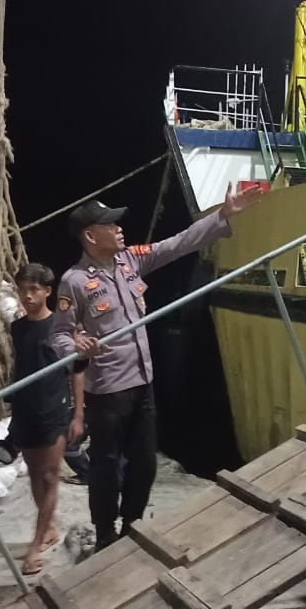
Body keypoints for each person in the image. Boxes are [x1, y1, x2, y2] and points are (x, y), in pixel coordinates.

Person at [53, 188, 259, 550]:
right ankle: (105, 532)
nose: (119, 229)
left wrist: (222, 216)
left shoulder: (129, 261)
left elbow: (176, 244)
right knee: (105, 466)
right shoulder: (74, 281)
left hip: (143, 381)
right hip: (108, 391)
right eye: (110, 225)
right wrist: (76, 345)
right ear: (90, 236)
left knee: (145, 463)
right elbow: (58, 335)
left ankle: (132, 523)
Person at [0, 263, 86, 574]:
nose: (28, 296)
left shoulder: (60, 327)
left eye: (34, 290)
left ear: (47, 291)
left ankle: (34, 546)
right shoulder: (18, 328)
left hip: (53, 410)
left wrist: (78, 413)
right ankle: (50, 528)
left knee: (49, 476)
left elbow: (77, 370)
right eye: (22, 290)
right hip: (25, 410)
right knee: (33, 474)